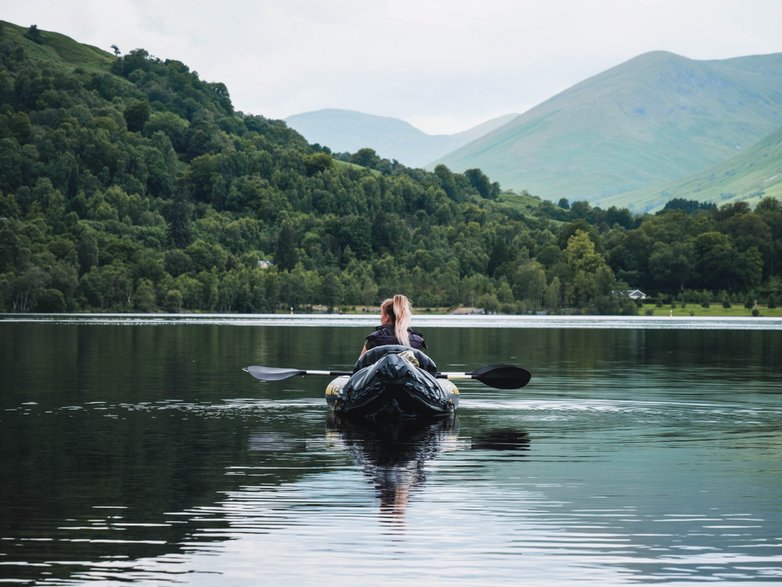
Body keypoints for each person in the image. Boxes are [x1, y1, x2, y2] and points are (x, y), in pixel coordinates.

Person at [360, 294, 426, 355]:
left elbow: (360, 365)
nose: (380, 318)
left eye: (381, 314)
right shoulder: (417, 341)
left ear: (386, 317)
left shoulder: (374, 338)